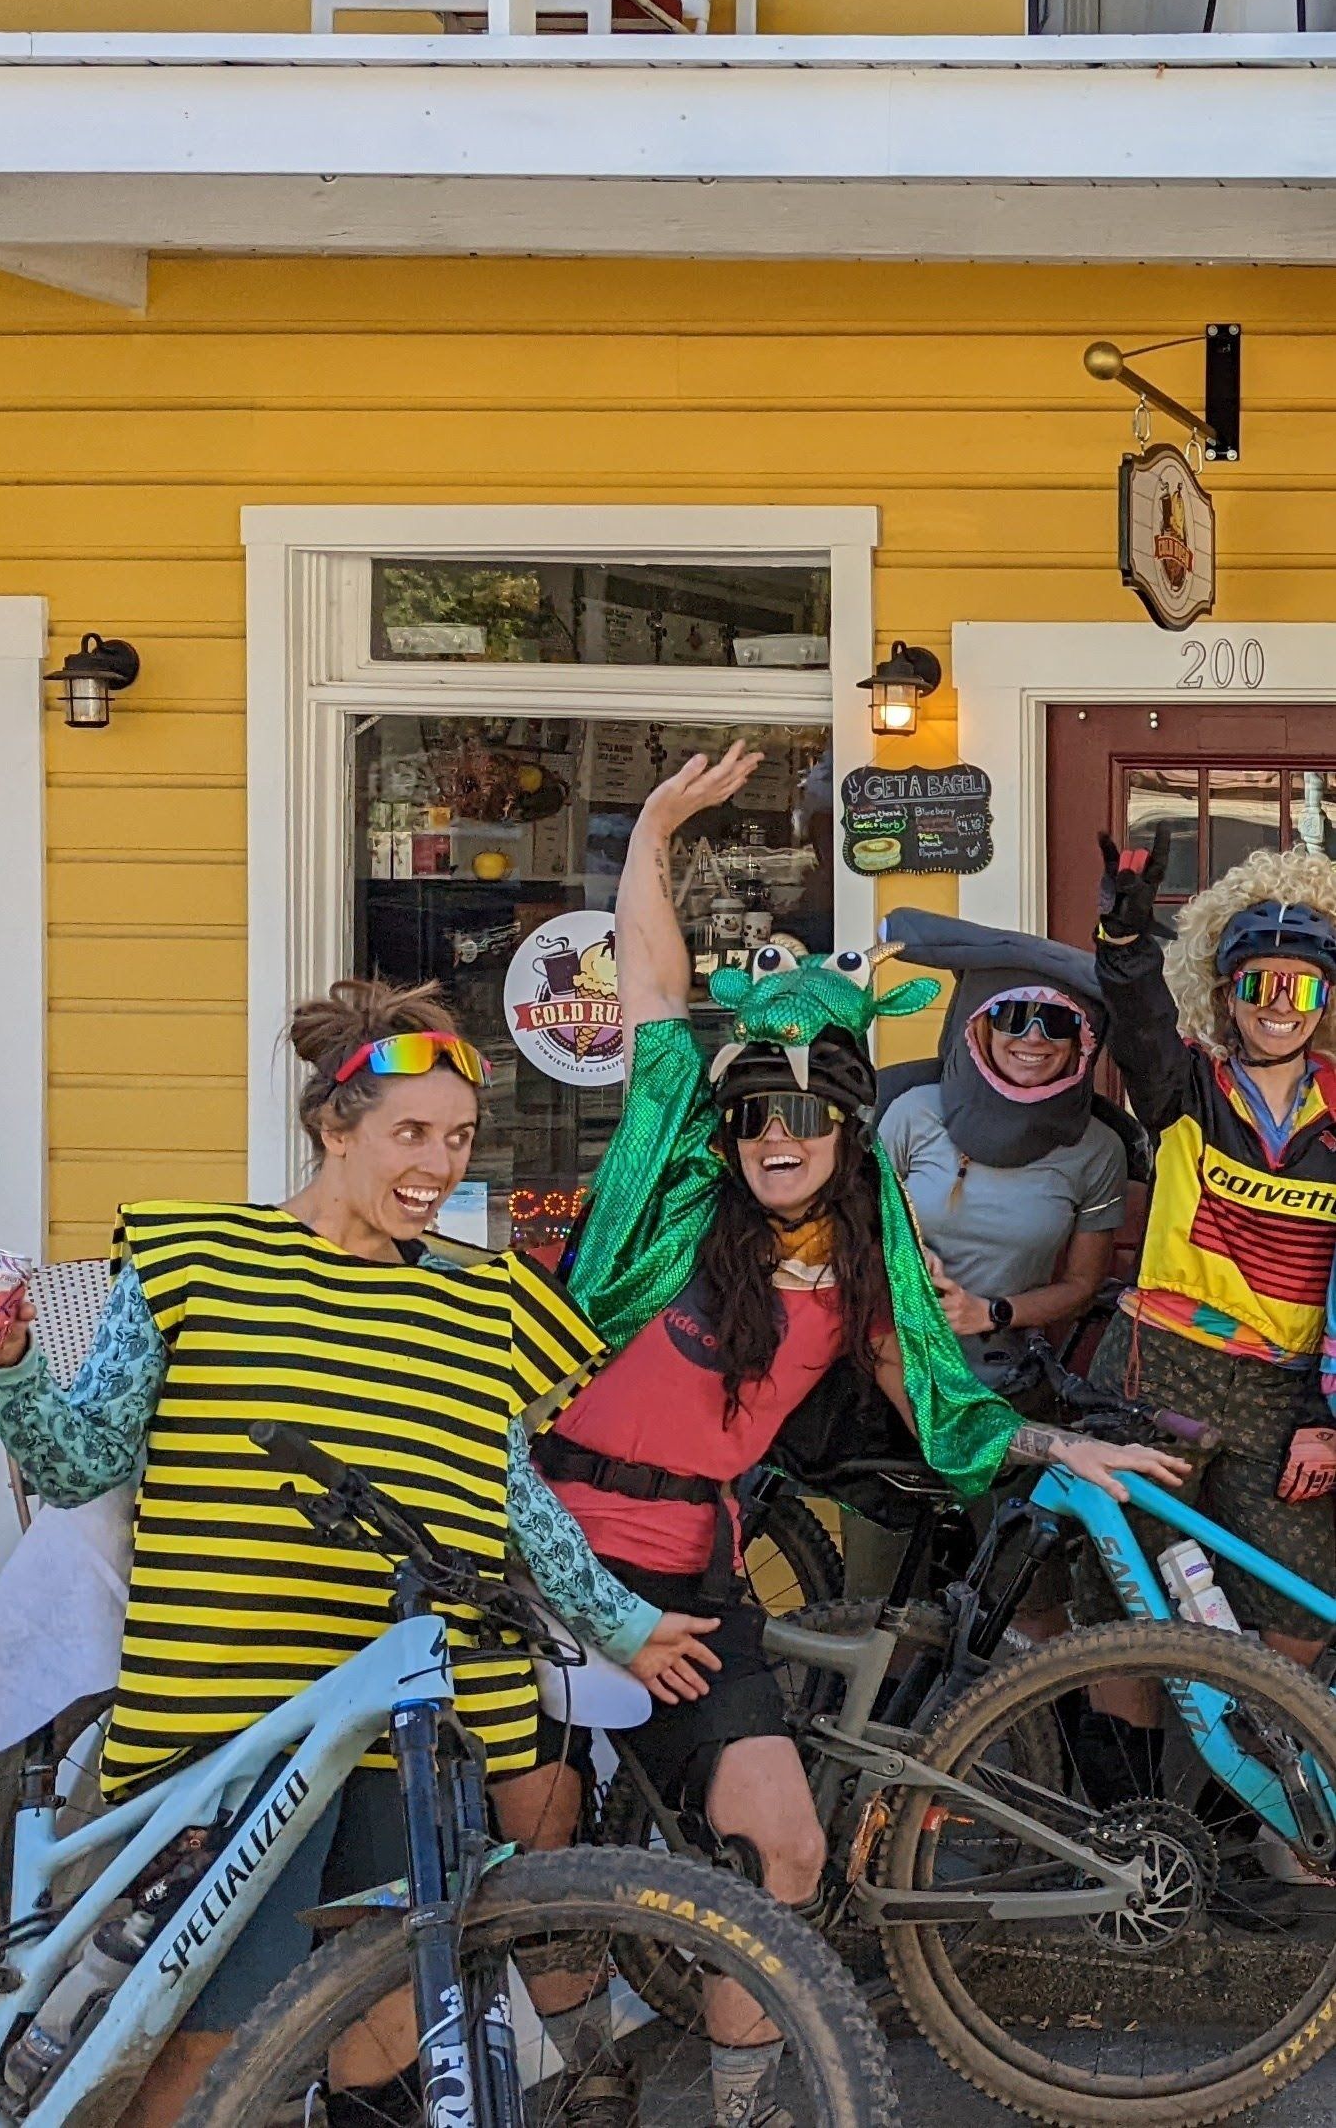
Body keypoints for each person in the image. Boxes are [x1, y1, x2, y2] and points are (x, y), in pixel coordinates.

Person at [0, 977, 716, 2128]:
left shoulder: (480, 1307)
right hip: (233, 1714)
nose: (438, 1163)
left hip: (405, 1719)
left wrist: (623, 1625)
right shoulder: (198, 1260)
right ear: (335, 1130)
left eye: (459, 1137)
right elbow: (82, 1463)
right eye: (409, 1134)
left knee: (380, 2021)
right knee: (209, 2035)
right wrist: (11, 1364)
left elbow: (512, 1497)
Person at [527, 746, 1186, 2128]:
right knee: (543, 1849)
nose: (775, 1137)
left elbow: (935, 1395)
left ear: (845, 1131)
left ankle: (743, 2102)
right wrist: (649, 829)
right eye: (753, 1113)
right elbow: (653, 999)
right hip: (531, 1553)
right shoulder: (668, 1198)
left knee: (779, 1842)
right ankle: (584, 2075)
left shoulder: (863, 1265)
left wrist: (1067, 1454)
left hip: (687, 1575)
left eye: (805, 1117)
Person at [1087, 830, 1336, 1670]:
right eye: (1257, 983)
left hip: (1284, 1391)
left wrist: (1322, 1420)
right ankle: (1132, 1796)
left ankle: (1259, 1799)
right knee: (1136, 1607)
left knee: (1300, 1604)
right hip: (1161, 1367)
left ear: (1323, 998)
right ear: (1225, 994)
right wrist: (1123, 943)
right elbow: (1138, 1021)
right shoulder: (1183, 1083)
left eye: (1301, 983)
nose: (1279, 1001)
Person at [859, 912, 1135, 1621]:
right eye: (1012, 1017)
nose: (1032, 1040)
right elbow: (851, 1233)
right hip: (891, 1378)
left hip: (1003, 1384)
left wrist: (991, 1311)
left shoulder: (1095, 1150)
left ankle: (1025, 1728)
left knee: (1025, 1599)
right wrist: (900, 1255)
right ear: (974, 1029)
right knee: (880, 1597)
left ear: (1083, 1042)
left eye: (1056, 1025)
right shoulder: (912, 1116)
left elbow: (1079, 1287)